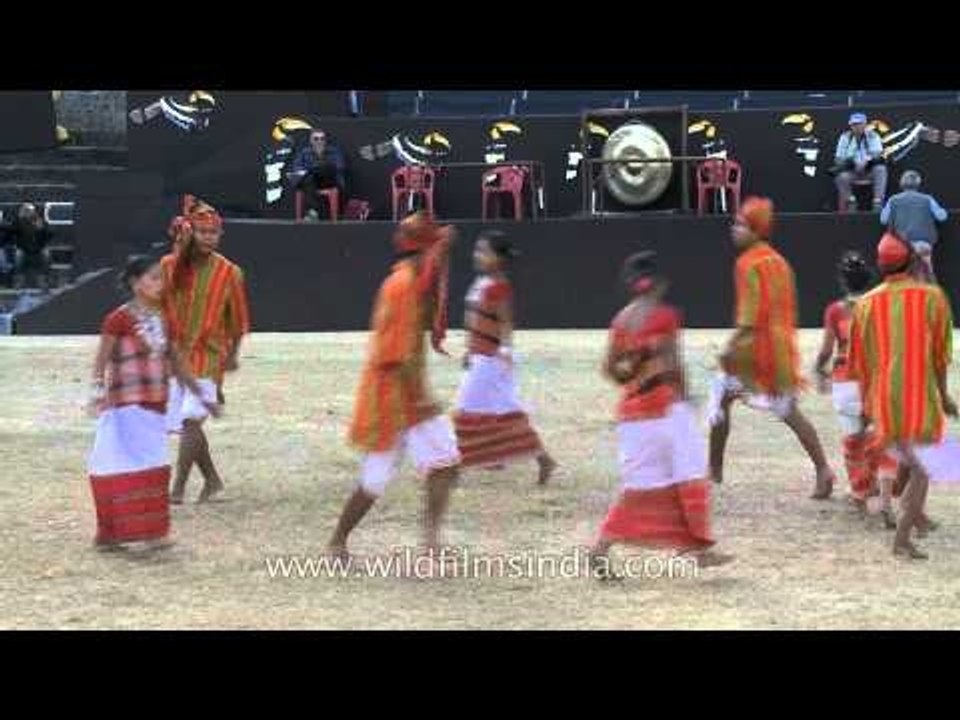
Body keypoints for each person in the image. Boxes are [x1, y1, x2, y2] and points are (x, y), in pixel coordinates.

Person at [590, 251, 733, 580]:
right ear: (659, 283)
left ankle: (602, 548)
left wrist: (631, 379)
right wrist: (685, 397)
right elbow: (673, 362)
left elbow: (609, 368)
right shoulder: (666, 316)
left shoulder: (621, 320)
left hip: (632, 414)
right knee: (690, 472)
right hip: (665, 408)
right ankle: (697, 548)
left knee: (642, 483)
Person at [328, 212, 462, 559]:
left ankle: (428, 543)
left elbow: (432, 286)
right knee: (377, 479)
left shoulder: (410, 280)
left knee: (442, 464)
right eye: (434, 249)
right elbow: (394, 355)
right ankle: (338, 541)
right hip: (396, 398)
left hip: (402, 395)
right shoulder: (402, 286)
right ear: (424, 250)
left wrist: (442, 249)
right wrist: (421, 401)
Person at [707, 196, 837, 499]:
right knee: (788, 411)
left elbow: (749, 319)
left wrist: (729, 348)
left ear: (756, 230)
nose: (734, 229)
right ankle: (823, 469)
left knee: (721, 398)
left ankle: (713, 471)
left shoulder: (746, 264)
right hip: (779, 350)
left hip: (752, 352)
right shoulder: (780, 262)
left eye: (741, 224)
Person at [86, 256, 219, 552]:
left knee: (152, 464)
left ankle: (141, 532)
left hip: (155, 404)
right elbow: (101, 360)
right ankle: (126, 533)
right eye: (153, 278)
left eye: (161, 278)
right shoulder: (118, 319)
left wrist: (202, 396)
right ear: (136, 283)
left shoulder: (164, 320)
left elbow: (177, 363)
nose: (160, 284)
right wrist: (96, 392)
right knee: (131, 464)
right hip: (125, 406)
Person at [847, 232, 957, 559]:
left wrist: (866, 406)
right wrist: (944, 395)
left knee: (912, 462)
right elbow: (940, 357)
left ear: (881, 266)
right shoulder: (933, 298)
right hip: (919, 399)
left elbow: (859, 363)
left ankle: (913, 519)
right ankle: (902, 538)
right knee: (924, 467)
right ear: (911, 262)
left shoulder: (866, 304)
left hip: (884, 400)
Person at [161, 197, 250, 504]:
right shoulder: (169, 266)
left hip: (210, 356)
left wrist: (233, 356)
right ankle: (212, 481)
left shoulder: (230, 272)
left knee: (191, 421)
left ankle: (178, 488)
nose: (209, 238)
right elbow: (160, 306)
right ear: (190, 233)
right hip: (175, 357)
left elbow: (238, 321)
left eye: (214, 233)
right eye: (203, 232)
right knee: (187, 424)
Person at [452, 230, 557, 483]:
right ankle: (537, 459)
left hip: (490, 359)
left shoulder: (498, 286)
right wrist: (469, 349)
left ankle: (454, 467)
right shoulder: (483, 283)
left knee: (466, 409)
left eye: (483, 251)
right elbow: (474, 321)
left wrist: (505, 352)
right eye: (477, 250)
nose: (477, 255)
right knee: (502, 412)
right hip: (481, 356)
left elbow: (506, 322)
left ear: (498, 259)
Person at [813, 252, 898, 525]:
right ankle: (883, 495)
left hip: (846, 380)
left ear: (843, 280)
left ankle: (860, 494)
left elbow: (827, 350)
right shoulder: (881, 305)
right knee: (880, 437)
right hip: (876, 378)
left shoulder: (835, 310)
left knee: (853, 440)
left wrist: (818, 369)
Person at [879, 170, 948, 281]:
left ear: (902, 183)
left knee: (904, 278)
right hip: (923, 243)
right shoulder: (927, 199)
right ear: (918, 183)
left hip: (902, 246)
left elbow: (883, 220)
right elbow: (942, 217)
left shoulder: (893, 200)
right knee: (927, 276)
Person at [834, 112, 888, 212]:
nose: (857, 127)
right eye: (854, 124)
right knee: (840, 177)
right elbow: (838, 159)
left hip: (869, 170)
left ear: (865, 124)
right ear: (850, 126)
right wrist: (851, 162)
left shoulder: (873, 136)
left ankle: (877, 202)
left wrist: (866, 162)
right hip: (852, 171)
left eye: (859, 124)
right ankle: (851, 201)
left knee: (881, 169)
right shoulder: (845, 137)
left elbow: (877, 155)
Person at [290, 129, 347, 220]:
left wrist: (316, 168)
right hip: (310, 182)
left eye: (322, 138)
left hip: (328, 181)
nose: (319, 141)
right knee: (309, 177)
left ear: (325, 140)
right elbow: (296, 167)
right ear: (311, 141)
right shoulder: (304, 152)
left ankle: (313, 211)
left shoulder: (334, 151)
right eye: (316, 139)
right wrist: (311, 171)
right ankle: (314, 211)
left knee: (324, 167)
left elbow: (340, 166)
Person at [5, 203, 52, 289]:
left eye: (30, 210)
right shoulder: (18, 221)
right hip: (23, 248)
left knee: (46, 255)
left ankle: (42, 280)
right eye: (26, 210)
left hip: (38, 248)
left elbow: (48, 236)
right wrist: (17, 220)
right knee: (18, 256)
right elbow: (10, 233)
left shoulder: (39, 221)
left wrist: (42, 228)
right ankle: (19, 280)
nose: (28, 212)